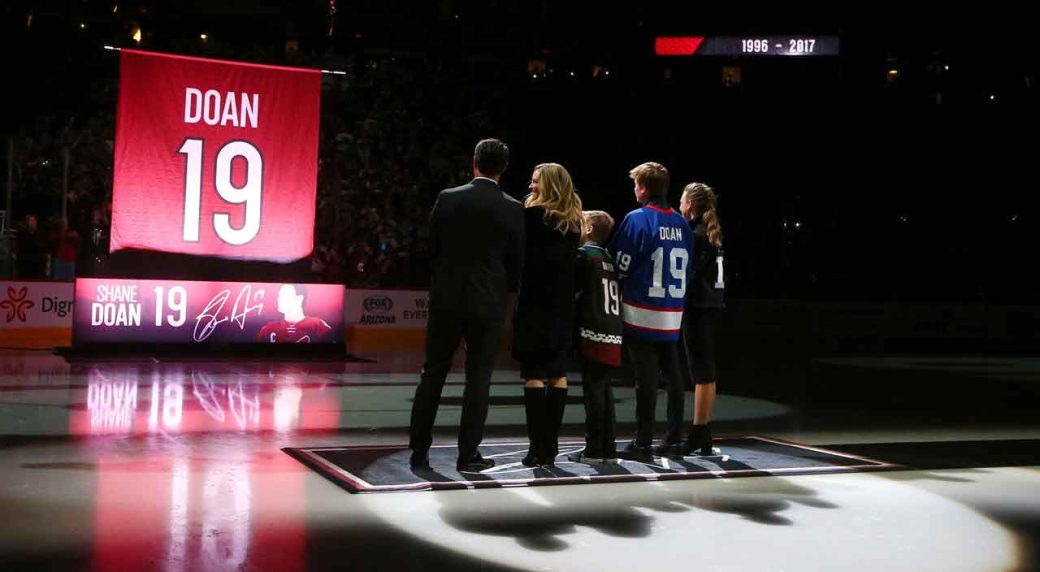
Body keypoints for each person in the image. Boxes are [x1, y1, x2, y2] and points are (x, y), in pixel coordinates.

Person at [408, 138, 524, 473]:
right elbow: (517, 262)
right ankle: (468, 454)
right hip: (488, 303)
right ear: (503, 168)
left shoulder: (448, 198)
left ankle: (419, 451)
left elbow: (430, 247)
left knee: (432, 374)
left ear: (474, 162)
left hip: (447, 299)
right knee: (479, 378)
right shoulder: (512, 207)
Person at [609, 162, 692, 462]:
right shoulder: (682, 223)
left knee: (646, 380)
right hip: (672, 313)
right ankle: (673, 439)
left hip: (642, 311)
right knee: (674, 377)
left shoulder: (637, 219)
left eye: (635, 185)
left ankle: (642, 442)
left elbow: (621, 263)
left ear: (643, 188)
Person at [513, 163, 583, 467]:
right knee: (558, 373)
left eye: (535, 182)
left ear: (550, 185)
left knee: (533, 374)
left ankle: (535, 447)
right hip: (563, 306)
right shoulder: (574, 223)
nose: (530, 186)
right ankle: (550, 447)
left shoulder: (530, 217)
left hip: (534, 303)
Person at [567, 210, 623, 464]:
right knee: (605, 388)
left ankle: (594, 448)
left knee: (593, 390)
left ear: (588, 229)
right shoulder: (609, 257)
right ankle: (608, 447)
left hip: (593, 328)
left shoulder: (583, 256)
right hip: (612, 328)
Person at [676, 182, 725, 455]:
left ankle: (698, 431)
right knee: (705, 370)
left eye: (682, 201)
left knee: (701, 371)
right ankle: (702, 430)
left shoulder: (696, 235)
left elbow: (689, 273)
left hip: (700, 306)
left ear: (690, 205)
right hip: (712, 305)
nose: (680, 205)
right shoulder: (711, 233)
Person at [256, 284, 333, 343]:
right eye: (279, 296)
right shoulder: (269, 328)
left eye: (285, 295)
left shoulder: (318, 325)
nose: (279, 299)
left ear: (299, 299)